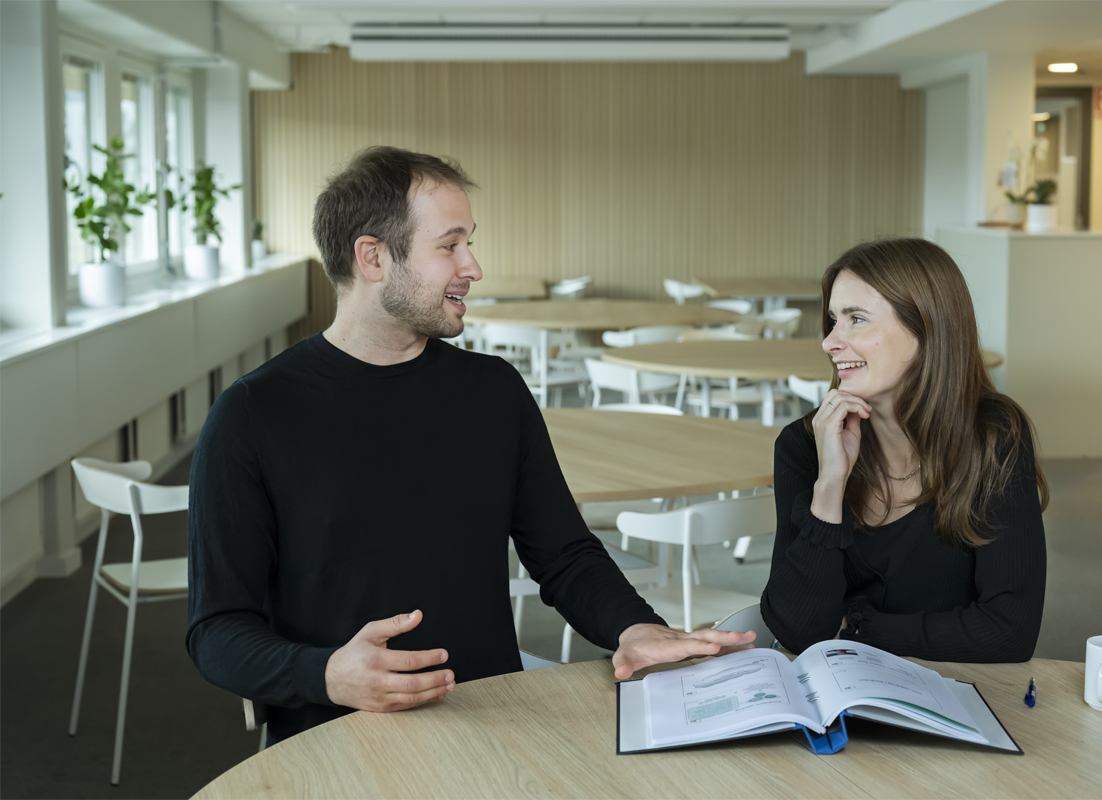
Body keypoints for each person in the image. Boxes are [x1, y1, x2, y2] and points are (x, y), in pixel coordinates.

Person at [186, 146, 753, 743]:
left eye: (470, 242)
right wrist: (326, 673)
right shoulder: (253, 414)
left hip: (491, 721)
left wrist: (634, 626)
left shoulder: (494, 390)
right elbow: (217, 631)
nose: (473, 267)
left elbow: (563, 554)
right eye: (450, 245)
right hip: (336, 736)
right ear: (373, 257)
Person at [761, 238, 1048, 662]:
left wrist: (857, 628)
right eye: (833, 320)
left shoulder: (993, 436)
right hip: (840, 700)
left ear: (926, 327)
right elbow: (797, 628)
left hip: (953, 699)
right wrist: (829, 487)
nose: (830, 342)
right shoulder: (805, 445)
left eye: (856, 319)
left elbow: (1009, 631)